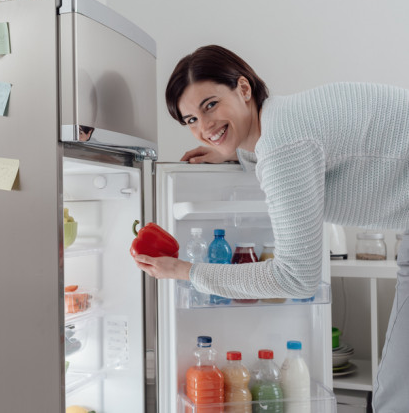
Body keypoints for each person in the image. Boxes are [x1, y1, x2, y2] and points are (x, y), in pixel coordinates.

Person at [132, 45, 409, 412]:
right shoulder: (281, 124)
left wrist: (187, 271)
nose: (204, 127)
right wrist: (235, 149)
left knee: (398, 394)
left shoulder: (282, 144)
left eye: (210, 105)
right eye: (191, 120)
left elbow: (296, 278)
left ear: (244, 89)